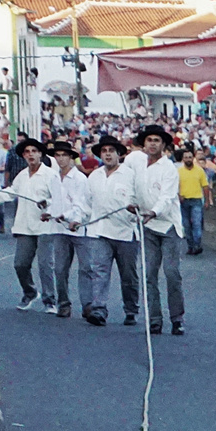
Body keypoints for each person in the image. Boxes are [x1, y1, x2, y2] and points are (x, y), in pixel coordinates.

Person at [129, 124, 187, 335]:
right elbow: (132, 190)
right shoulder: (137, 165)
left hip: (168, 226)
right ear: (143, 144)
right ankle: (154, 319)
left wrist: (153, 211)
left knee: (171, 273)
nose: (152, 144)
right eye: (149, 140)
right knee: (149, 274)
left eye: (156, 140)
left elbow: (168, 196)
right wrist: (131, 203)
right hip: (147, 226)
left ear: (163, 145)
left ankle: (177, 318)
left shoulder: (169, 168)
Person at [82, 133, 139, 327]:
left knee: (128, 275)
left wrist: (134, 210)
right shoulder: (94, 176)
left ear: (119, 154)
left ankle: (131, 310)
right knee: (99, 271)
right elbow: (86, 203)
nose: (107, 155)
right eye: (104, 151)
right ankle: (99, 309)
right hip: (100, 230)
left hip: (125, 231)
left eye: (111, 151)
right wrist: (76, 219)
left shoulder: (130, 175)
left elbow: (139, 200)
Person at [6, 137, 59, 311]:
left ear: (41, 154)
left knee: (45, 265)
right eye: (27, 152)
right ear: (23, 156)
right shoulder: (21, 176)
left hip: (45, 225)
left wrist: (48, 204)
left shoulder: (50, 175)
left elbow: (59, 199)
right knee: (20, 264)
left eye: (34, 151)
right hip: (24, 225)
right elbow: (11, 193)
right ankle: (30, 292)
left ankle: (49, 300)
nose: (31, 155)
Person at [46, 140, 90, 319]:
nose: (61, 159)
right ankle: (63, 303)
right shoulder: (53, 177)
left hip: (78, 228)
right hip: (59, 228)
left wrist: (72, 217)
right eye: (58, 155)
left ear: (71, 158)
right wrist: (48, 212)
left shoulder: (80, 178)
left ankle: (88, 305)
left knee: (86, 268)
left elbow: (82, 203)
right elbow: (53, 200)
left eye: (65, 155)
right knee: (60, 268)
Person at [176, 145, 210, 255]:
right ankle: (190, 246)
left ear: (193, 158)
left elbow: (205, 186)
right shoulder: (179, 171)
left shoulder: (199, 171)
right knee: (186, 225)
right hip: (183, 201)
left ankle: (197, 245)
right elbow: (174, 186)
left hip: (196, 200)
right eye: (186, 157)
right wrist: (178, 195)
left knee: (196, 223)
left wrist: (207, 201)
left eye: (190, 157)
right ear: (183, 159)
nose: (188, 159)